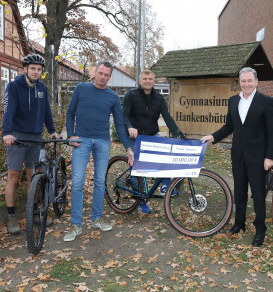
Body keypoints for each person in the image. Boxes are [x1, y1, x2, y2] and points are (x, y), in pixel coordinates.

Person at [201, 67, 273, 247]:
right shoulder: (233, 101)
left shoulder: (266, 102)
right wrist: (213, 137)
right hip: (238, 155)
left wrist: (269, 157)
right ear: (240, 83)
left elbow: (272, 131)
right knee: (240, 192)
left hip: (258, 157)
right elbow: (229, 126)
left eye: (250, 81)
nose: (246, 84)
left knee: (258, 195)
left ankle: (260, 230)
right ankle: (239, 224)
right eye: (243, 81)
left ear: (256, 82)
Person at [64, 61, 135, 242]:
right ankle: (76, 225)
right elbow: (70, 112)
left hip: (102, 141)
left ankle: (96, 218)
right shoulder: (81, 89)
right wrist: (71, 135)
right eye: (100, 73)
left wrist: (128, 147)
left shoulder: (112, 97)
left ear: (110, 77)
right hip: (81, 140)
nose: (103, 77)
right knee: (78, 181)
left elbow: (119, 124)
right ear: (95, 72)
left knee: (99, 181)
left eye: (106, 75)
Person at [2, 53, 60, 235]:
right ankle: (11, 218)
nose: (36, 72)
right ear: (25, 69)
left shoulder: (42, 88)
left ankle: (33, 214)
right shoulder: (13, 86)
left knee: (33, 176)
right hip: (17, 137)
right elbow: (8, 111)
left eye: (39, 69)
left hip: (35, 138)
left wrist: (52, 130)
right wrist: (7, 133)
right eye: (32, 68)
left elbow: (46, 112)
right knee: (13, 177)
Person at [122, 69, 184, 214]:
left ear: (154, 81)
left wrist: (177, 133)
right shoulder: (130, 95)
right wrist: (130, 127)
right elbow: (123, 115)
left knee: (167, 152)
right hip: (134, 136)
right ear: (140, 80)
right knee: (137, 168)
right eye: (145, 78)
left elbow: (167, 117)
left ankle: (165, 184)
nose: (148, 81)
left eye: (150, 78)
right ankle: (140, 200)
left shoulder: (159, 98)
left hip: (151, 134)